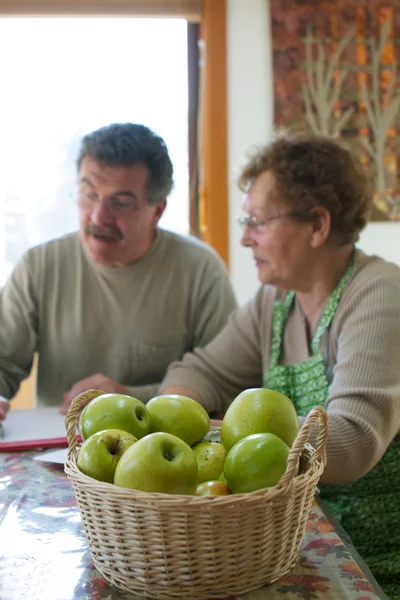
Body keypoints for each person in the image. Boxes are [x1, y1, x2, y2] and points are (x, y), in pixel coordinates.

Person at [160, 131, 400, 598]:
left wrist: (218, 436)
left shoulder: (381, 294)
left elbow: (351, 442)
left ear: (317, 225)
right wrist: (176, 419)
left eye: (257, 221)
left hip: (376, 560)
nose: (245, 237)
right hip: (299, 542)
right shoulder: (275, 302)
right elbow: (196, 372)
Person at [0, 123, 237, 420]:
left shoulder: (201, 271)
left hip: (162, 443)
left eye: (121, 202)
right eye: (89, 194)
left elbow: (226, 382)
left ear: (157, 210)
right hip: (57, 447)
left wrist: (132, 398)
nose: (99, 216)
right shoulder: (39, 266)